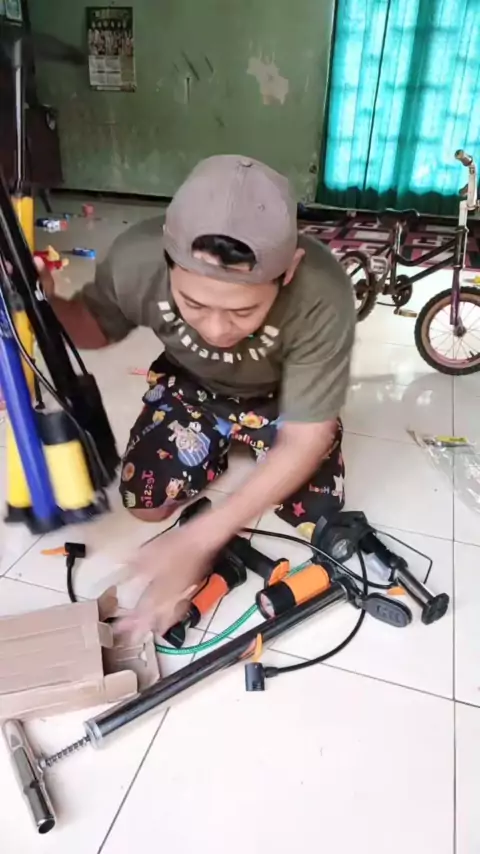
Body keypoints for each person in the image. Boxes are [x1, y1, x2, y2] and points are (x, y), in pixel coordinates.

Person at [39, 155, 355, 635]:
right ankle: (218, 445)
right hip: (192, 389)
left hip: (282, 400)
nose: (216, 329)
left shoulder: (322, 292)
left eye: (243, 311)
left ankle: (241, 443)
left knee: (318, 518)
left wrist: (199, 540)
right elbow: (94, 329)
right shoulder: (137, 258)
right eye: (193, 303)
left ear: (288, 271)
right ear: (167, 260)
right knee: (145, 503)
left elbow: (306, 437)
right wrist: (42, 301)